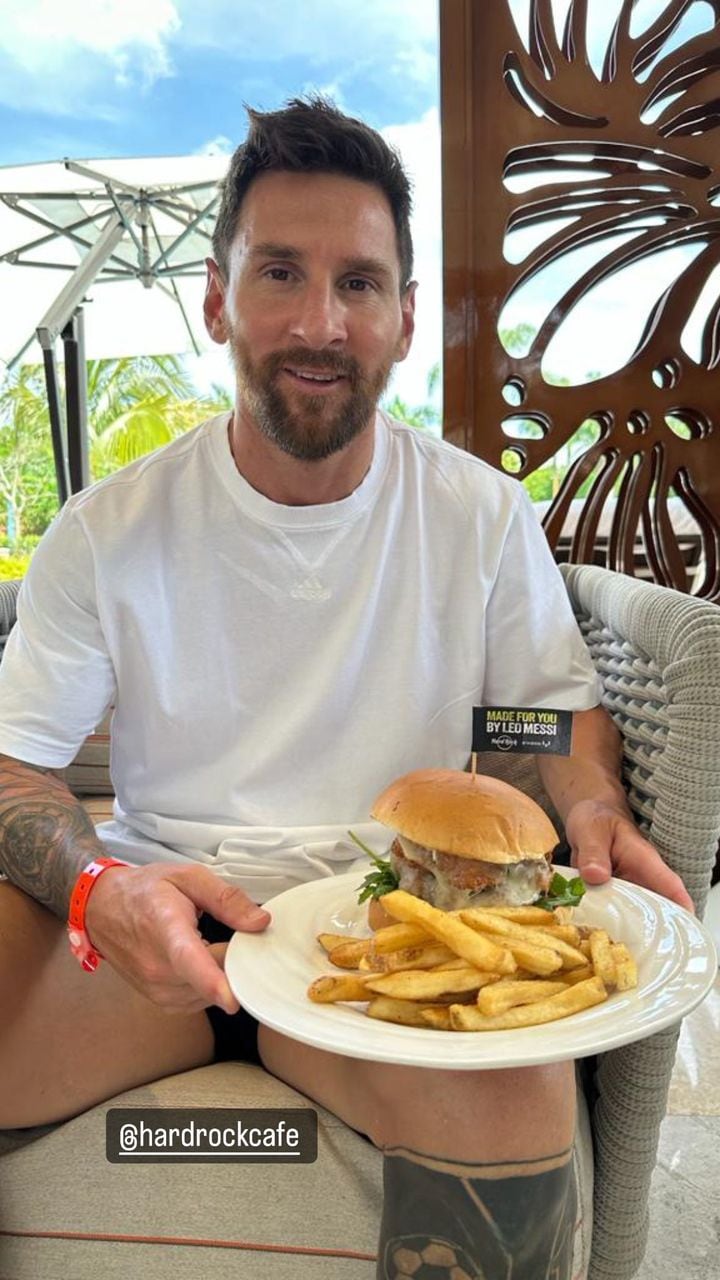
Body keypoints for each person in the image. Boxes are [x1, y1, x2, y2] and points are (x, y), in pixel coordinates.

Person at [0, 96, 691, 1279]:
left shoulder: (475, 515)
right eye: (280, 271)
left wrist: (587, 806)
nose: (320, 321)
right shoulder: (106, 531)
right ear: (218, 299)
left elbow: (524, 715)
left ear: (407, 317)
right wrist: (98, 882)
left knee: (520, 1108)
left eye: (360, 283)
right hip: (163, 923)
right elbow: (18, 763)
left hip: (376, 938)